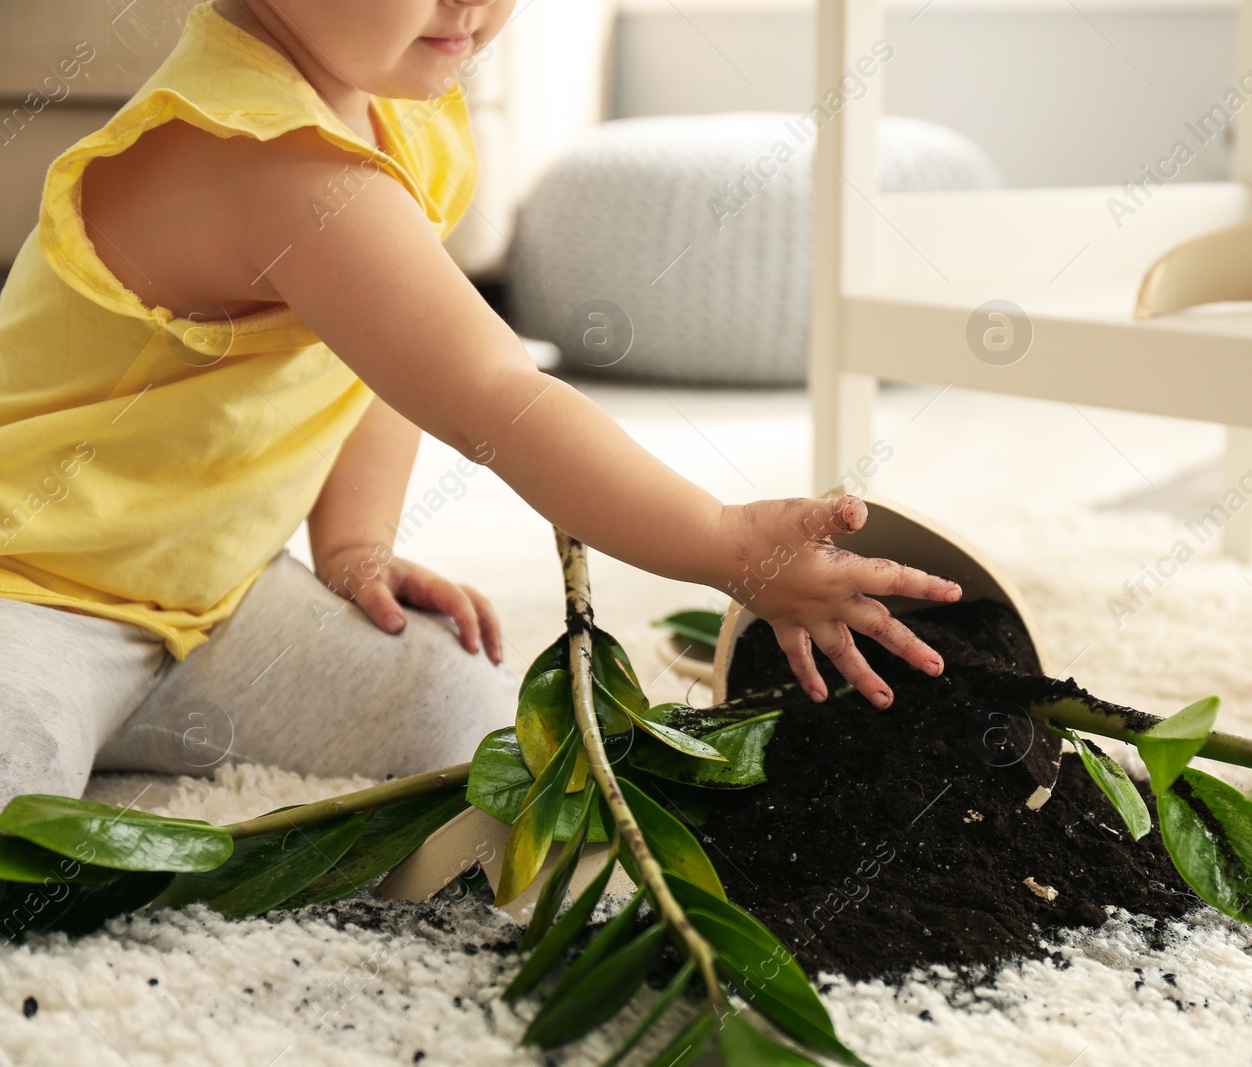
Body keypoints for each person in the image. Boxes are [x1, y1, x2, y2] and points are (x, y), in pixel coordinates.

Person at [0, 0, 959, 806]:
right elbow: (493, 395)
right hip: (30, 593)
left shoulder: (399, 118)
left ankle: (119, 722)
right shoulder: (264, 160)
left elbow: (383, 362)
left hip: (211, 602)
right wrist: (724, 542)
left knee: (455, 704)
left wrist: (354, 547)